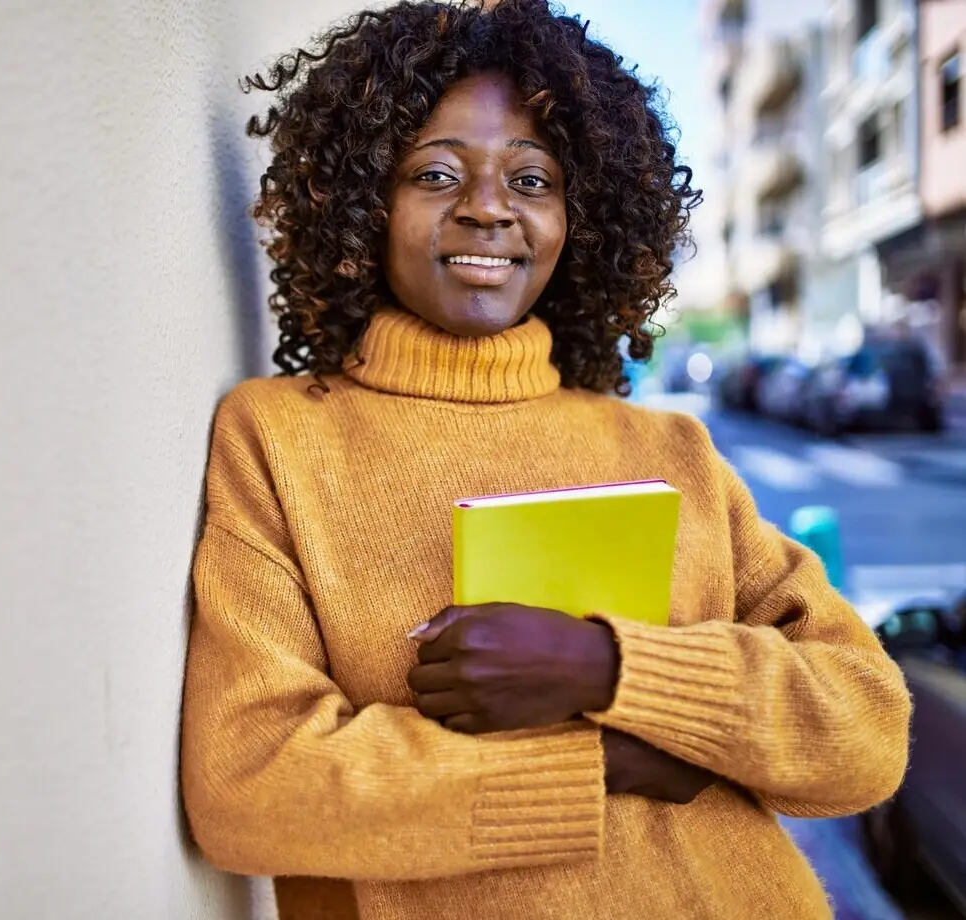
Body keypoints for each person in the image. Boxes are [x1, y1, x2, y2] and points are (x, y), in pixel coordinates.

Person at [180, 2, 911, 918]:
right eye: (437, 172)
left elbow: (866, 730)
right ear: (365, 200)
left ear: (582, 218)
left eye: (533, 179)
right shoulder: (280, 440)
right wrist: (608, 758)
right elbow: (251, 785)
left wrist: (606, 668)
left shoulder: (669, 450)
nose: (489, 207)